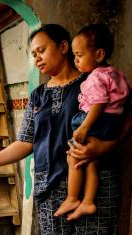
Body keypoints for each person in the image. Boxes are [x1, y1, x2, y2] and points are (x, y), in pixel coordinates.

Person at [0, 24, 128, 234]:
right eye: (33, 54)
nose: (37, 58)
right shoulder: (38, 95)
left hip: (94, 187)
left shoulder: (93, 80)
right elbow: (26, 141)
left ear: (63, 47)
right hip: (49, 190)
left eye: (41, 50)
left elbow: (126, 119)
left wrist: (103, 148)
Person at [54, 24, 129, 220]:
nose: (75, 60)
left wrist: (85, 126)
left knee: (73, 157)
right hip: (113, 123)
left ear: (98, 55)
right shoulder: (115, 74)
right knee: (92, 162)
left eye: (79, 55)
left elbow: (99, 102)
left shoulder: (96, 77)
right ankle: (87, 202)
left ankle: (72, 198)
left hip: (98, 121)